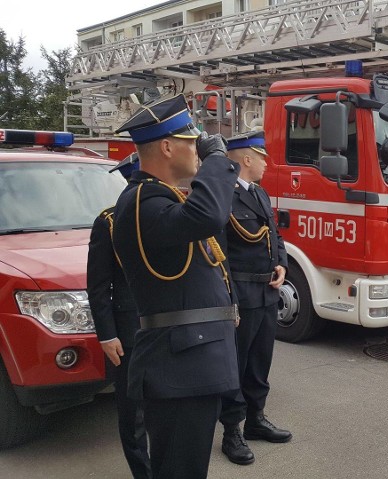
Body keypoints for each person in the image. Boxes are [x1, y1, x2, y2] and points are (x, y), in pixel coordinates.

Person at [111, 95, 241, 479]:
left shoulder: (162, 199)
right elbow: (207, 215)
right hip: (178, 365)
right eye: (192, 141)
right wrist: (217, 158)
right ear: (167, 147)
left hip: (189, 359)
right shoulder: (141, 200)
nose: (198, 148)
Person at [218, 131, 292, 465]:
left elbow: (274, 235)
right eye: (262, 157)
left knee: (260, 361)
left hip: (266, 291)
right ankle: (231, 431)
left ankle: (256, 420)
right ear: (246, 159)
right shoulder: (223, 195)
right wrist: (228, 300)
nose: (267, 163)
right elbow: (219, 254)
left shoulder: (259, 194)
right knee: (236, 364)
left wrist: (282, 264)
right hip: (242, 293)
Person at [87, 153, 151, 479]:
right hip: (127, 329)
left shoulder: (166, 216)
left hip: (163, 325)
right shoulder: (109, 222)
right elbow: (97, 286)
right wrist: (106, 334)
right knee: (133, 409)